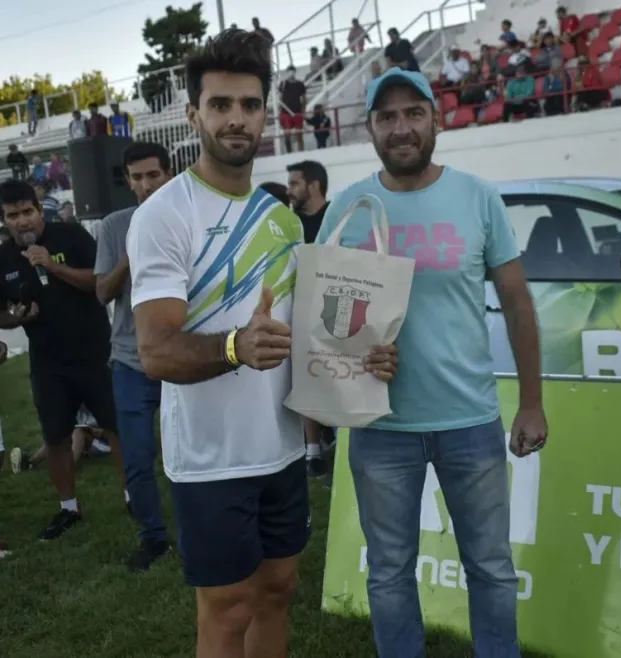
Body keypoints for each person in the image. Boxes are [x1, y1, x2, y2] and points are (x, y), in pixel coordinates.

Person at [126, 29, 398, 658]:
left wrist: (366, 355)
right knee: (227, 610)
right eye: (220, 104)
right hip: (211, 458)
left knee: (278, 588)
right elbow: (155, 351)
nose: (236, 118)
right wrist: (232, 348)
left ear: (265, 113)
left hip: (279, 448)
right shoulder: (164, 215)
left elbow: (308, 330)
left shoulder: (280, 218)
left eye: (249, 104)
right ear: (194, 114)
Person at [316, 67, 547, 657]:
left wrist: (532, 402)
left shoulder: (477, 196)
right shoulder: (350, 207)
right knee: (390, 573)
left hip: (469, 420)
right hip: (380, 426)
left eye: (413, 113)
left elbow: (518, 304)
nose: (401, 128)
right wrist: (359, 347)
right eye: (387, 116)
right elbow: (325, 320)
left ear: (436, 120)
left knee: (491, 568)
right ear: (369, 128)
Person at [0, 178, 124, 540]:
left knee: (116, 428)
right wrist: (17, 316)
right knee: (55, 436)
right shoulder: (3, 257)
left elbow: (99, 284)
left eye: (27, 212)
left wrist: (52, 267)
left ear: (40, 210)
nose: (22, 222)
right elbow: (1, 313)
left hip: (96, 351)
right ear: (4, 220)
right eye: (12, 216)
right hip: (48, 361)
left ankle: (134, 497)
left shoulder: (71, 236)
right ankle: (68, 508)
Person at [94, 141, 174, 572]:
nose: (145, 185)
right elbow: (102, 291)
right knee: (139, 459)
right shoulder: (114, 225)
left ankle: (200, 527)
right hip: (130, 360)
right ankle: (153, 538)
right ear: (128, 181)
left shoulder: (189, 219)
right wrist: (132, 252)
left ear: (168, 173)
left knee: (190, 452)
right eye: (137, 178)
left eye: (153, 176)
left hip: (182, 356)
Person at [286, 159, 336, 478]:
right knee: (305, 375)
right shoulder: (288, 224)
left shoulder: (337, 217)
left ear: (313, 186)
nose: (288, 191)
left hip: (334, 309)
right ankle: (313, 449)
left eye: (294, 184)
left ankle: (340, 439)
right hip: (300, 308)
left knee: (339, 376)